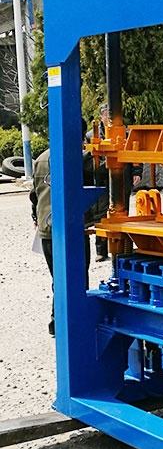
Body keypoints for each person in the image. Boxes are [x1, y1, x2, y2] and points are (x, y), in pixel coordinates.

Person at [30, 125, 93, 336]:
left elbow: (34, 195)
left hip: (47, 230)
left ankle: (57, 322)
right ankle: (75, 323)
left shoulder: (41, 159)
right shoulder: (79, 158)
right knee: (77, 278)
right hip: (72, 229)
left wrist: (36, 219)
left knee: (59, 278)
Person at [88, 103, 142, 262]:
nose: (109, 119)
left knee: (122, 210)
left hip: (122, 176)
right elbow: (88, 157)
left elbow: (135, 153)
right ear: (101, 117)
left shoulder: (126, 134)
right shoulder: (92, 135)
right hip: (102, 178)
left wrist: (136, 172)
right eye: (107, 115)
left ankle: (123, 246)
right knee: (100, 213)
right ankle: (101, 250)